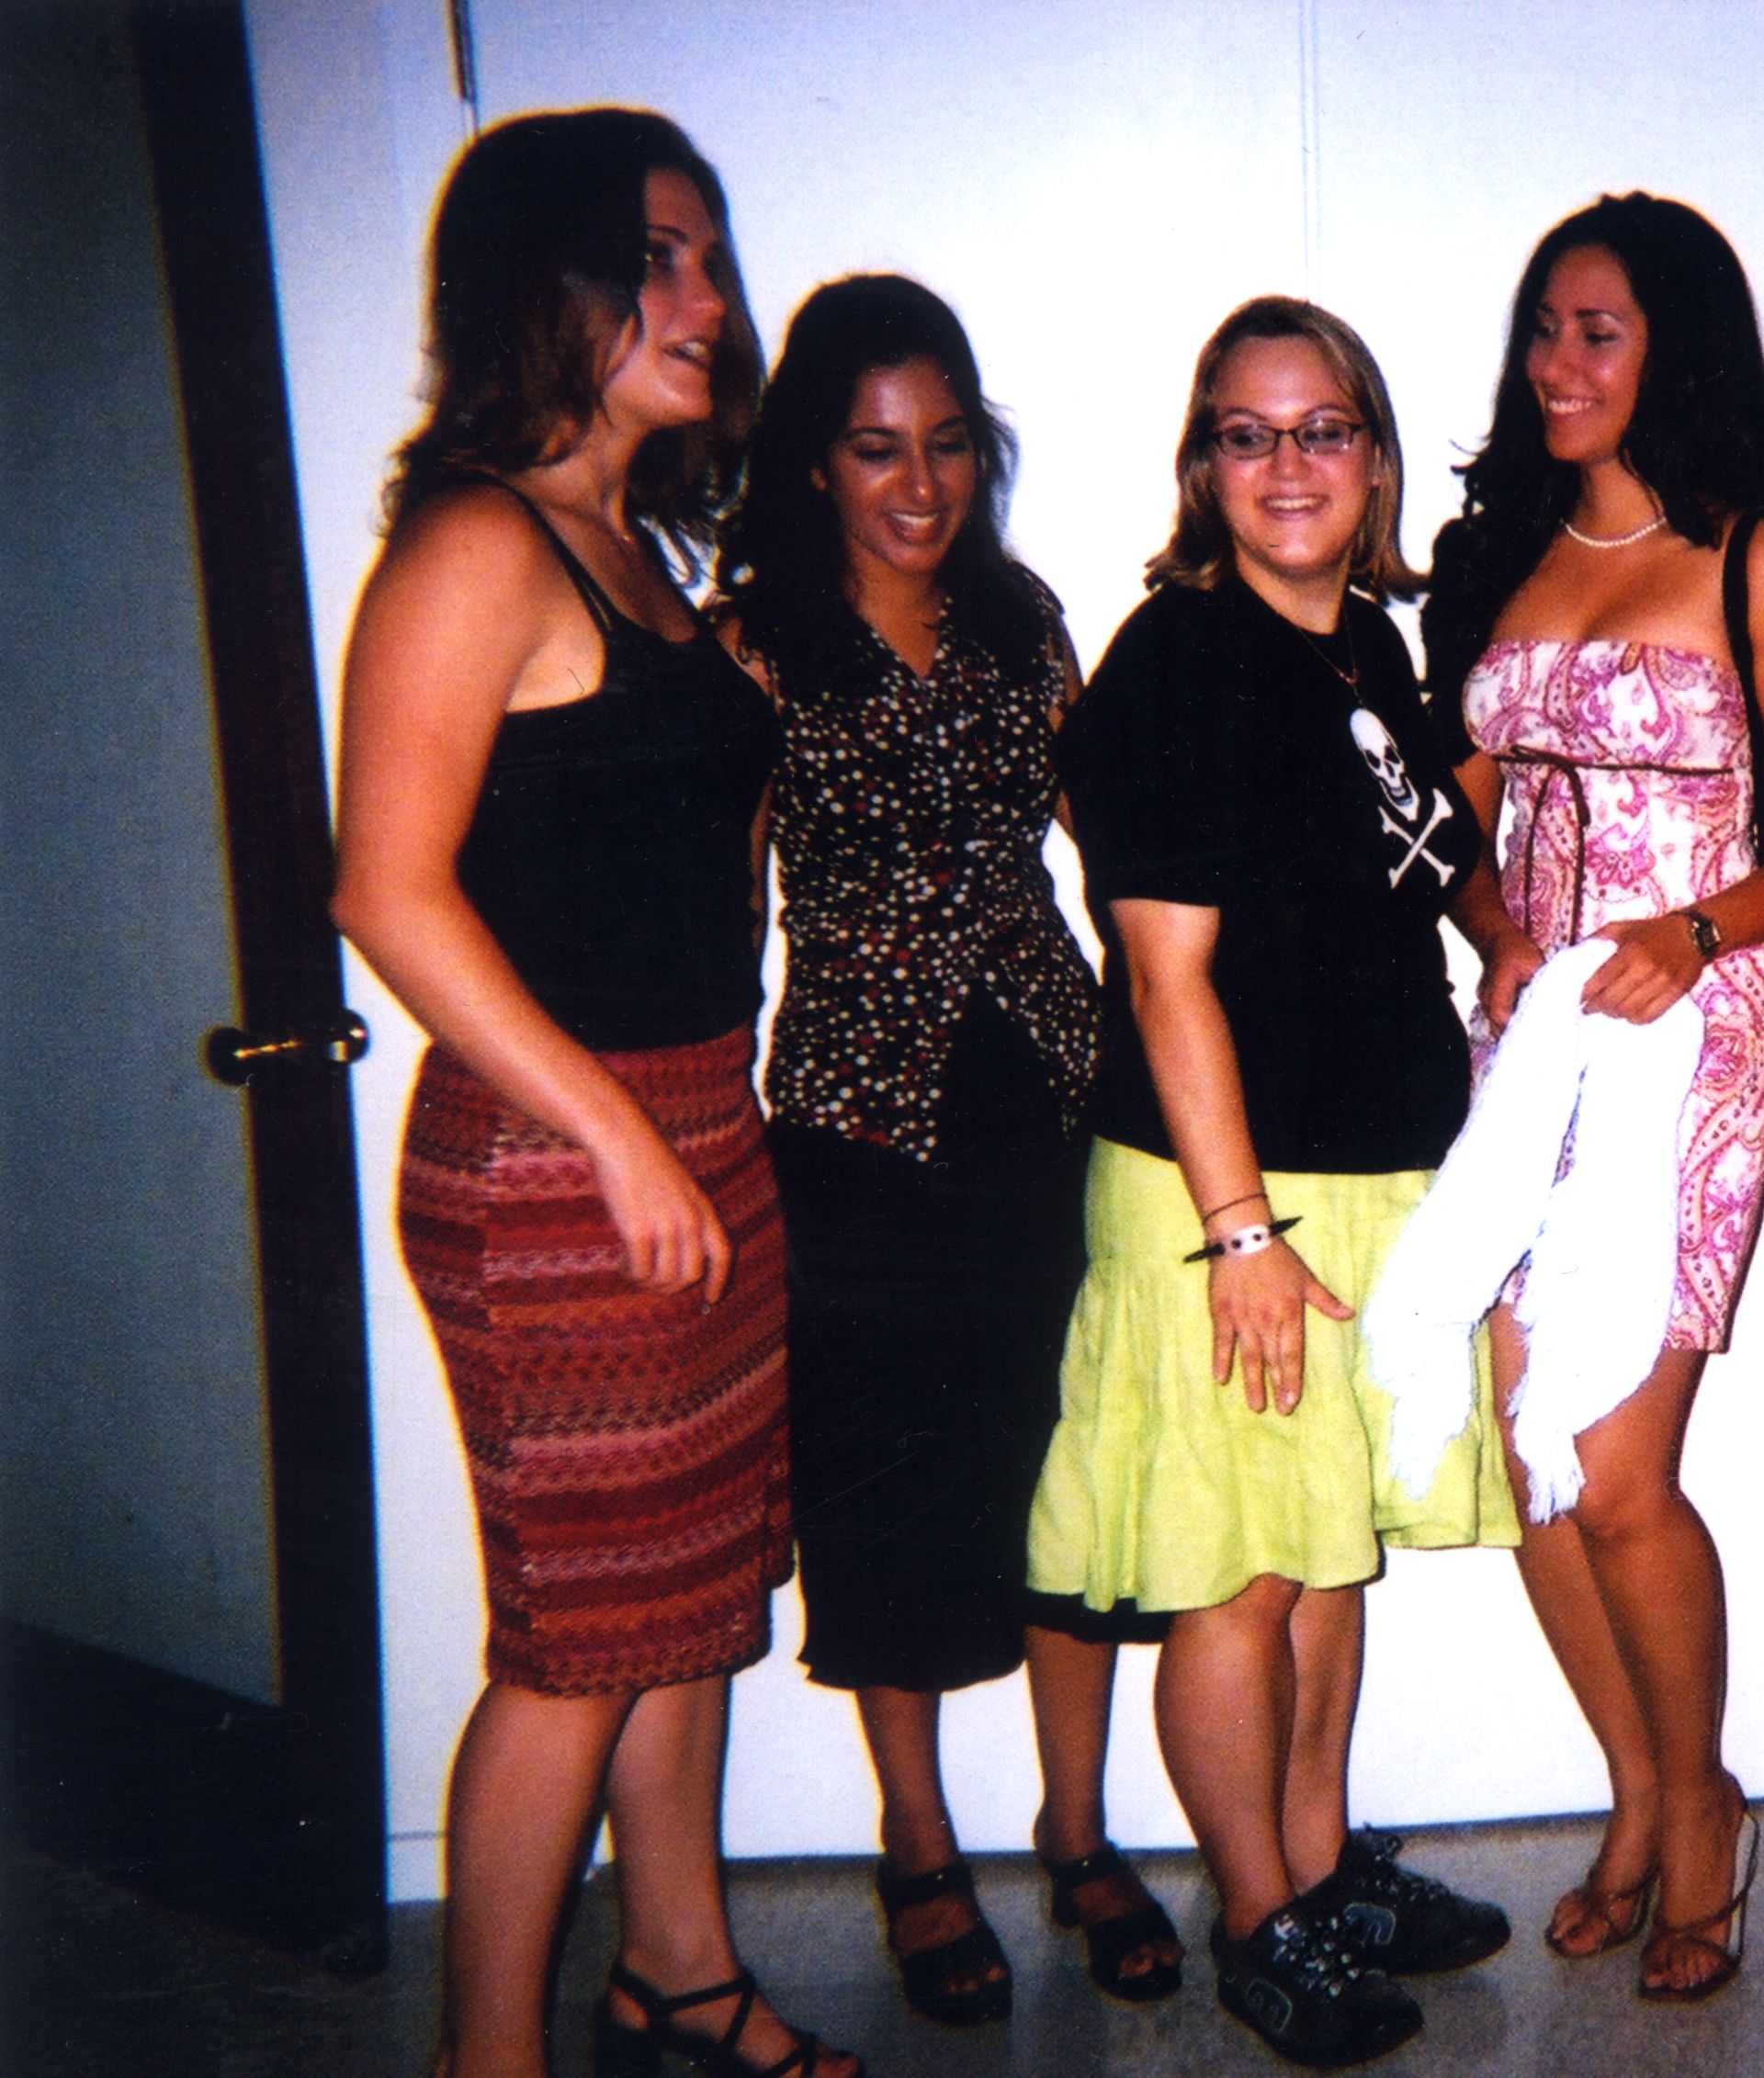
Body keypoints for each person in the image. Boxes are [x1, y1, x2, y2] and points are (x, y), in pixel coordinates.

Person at [330, 111, 857, 2078]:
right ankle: (491, 2056)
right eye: (660, 257)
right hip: (560, 1156)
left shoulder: (635, 555)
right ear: (542, 282)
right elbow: (385, 889)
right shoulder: (478, 543)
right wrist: (621, 1134)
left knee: (687, 1597)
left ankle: (680, 1971)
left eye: (711, 257)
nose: (709, 298)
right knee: (576, 1639)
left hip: (692, 1120)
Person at [1025, 297, 1516, 2067]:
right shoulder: (1181, 661)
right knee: (1237, 1573)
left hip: (1370, 1172)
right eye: (1249, 433)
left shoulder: (1362, 649)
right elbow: (1166, 978)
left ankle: (1316, 1867)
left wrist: (1508, 938)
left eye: (1322, 431)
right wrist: (1238, 1231)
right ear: (1204, 466)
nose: (1288, 464)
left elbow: (1433, 849)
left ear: (1373, 459)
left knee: (1324, 1559)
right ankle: (1258, 1919)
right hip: (1224, 1193)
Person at [709, 275, 1178, 2025]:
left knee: (1070, 1469)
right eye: (876, 449)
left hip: (1046, 1089)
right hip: (854, 1117)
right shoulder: (752, 647)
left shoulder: (1020, 619)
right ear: (812, 463)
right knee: (885, 1486)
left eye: (949, 442)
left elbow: (1112, 846)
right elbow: (719, 908)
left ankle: (1076, 1825)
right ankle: (917, 1840)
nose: (920, 483)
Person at [1422, 194, 1764, 2002]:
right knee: (1529, 1462)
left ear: (1672, 348)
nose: (1556, 363)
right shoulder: (1497, 555)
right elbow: (1451, 822)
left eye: (1595, 331)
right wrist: (1490, 928)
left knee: (1614, 1470)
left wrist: (1689, 933)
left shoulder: (1755, 562)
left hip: (1696, 1038)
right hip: (1531, 1043)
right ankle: (1636, 1789)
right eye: (1543, 327)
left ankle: (1702, 1811)